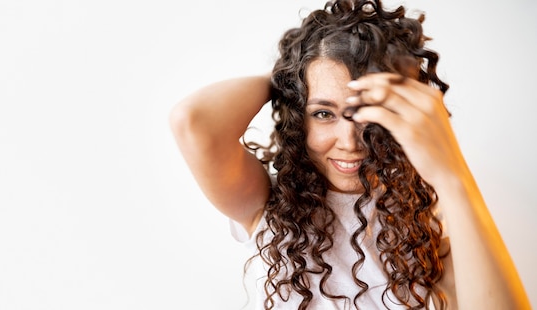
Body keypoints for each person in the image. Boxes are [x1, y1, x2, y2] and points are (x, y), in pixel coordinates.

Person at [169, 0, 530, 309]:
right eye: (323, 113)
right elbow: (193, 122)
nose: (351, 141)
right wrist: (296, 70)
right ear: (299, 117)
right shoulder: (267, 205)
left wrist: (452, 178)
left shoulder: (421, 231)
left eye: (367, 114)